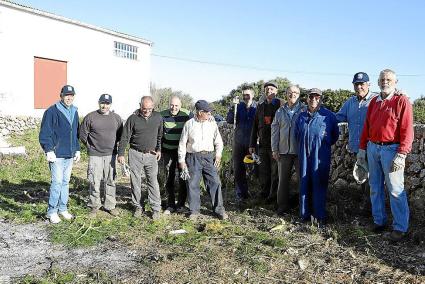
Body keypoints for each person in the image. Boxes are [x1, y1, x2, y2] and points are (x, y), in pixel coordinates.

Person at [358, 69, 413, 241]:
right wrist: (362, 150)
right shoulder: (374, 102)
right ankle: (379, 221)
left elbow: (407, 129)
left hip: (392, 149)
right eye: (382, 79)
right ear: (378, 81)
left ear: (395, 82)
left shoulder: (401, 101)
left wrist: (402, 153)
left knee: (396, 189)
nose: (385, 82)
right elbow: (367, 126)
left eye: (389, 79)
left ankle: (400, 228)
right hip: (373, 147)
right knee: (375, 187)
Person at [295, 88, 339, 226]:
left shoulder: (329, 116)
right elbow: (297, 135)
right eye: (311, 97)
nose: (314, 99)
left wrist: (320, 144)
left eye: (317, 97)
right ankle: (304, 215)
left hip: (320, 156)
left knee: (319, 184)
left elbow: (334, 136)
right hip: (304, 155)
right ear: (307, 99)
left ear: (321, 99)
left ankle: (319, 216)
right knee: (304, 184)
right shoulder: (301, 116)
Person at [178, 100, 227, 220]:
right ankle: (194, 211)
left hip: (209, 157)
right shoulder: (189, 124)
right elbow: (182, 143)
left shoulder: (212, 124)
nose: (210, 114)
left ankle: (219, 209)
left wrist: (219, 155)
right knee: (192, 183)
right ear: (200, 112)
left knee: (214, 182)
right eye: (208, 112)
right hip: (193, 157)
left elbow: (218, 141)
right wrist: (181, 160)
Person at [39, 85, 81, 224]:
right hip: (56, 154)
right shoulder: (52, 111)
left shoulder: (74, 111)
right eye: (66, 95)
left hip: (69, 154)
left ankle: (63, 209)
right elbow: (45, 133)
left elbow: (75, 133)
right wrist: (48, 150)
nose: (69, 98)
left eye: (71, 95)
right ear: (61, 95)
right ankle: (52, 211)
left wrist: (77, 149)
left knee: (65, 183)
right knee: (56, 183)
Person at [117, 96, 163, 220]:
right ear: (140, 105)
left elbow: (160, 135)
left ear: (153, 107)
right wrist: (121, 153)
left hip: (152, 155)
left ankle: (155, 208)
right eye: (144, 108)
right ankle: (138, 206)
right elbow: (125, 137)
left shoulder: (158, 117)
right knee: (135, 181)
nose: (147, 111)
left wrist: (159, 149)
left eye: (149, 108)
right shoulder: (133, 118)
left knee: (152, 181)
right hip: (135, 153)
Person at [79, 94, 123, 217]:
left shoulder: (116, 118)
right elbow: (82, 134)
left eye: (107, 103)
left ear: (111, 104)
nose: (104, 105)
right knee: (94, 180)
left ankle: (110, 205)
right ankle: (94, 205)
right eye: (102, 103)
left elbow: (120, 135)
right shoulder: (90, 117)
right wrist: (90, 146)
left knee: (111, 180)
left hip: (111, 154)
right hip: (95, 155)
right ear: (98, 103)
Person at [271, 85, 306, 215]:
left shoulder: (304, 110)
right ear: (286, 94)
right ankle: (282, 207)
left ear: (299, 94)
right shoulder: (280, 111)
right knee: (283, 180)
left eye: (296, 92)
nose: (293, 95)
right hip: (283, 151)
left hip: (299, 152)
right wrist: (274, 149)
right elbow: (274, 131)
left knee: (302, 180)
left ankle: (303, 208)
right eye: (290, 93)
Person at [160, 96, 192, 214]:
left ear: (181, 105)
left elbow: (199, 119)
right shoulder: (162, 115)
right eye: (172, 105)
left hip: (181, 152)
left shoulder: (187, 114)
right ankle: (170, 204)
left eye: (176, 105)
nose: (174, 108)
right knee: (169, 177)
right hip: (167, 151)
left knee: (183, 177)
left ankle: (181, 204)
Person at [249, 81, 280, 202]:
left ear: (276, 92)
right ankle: (264, 193)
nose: (269, 91)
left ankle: (273, 196)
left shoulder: (280, 106)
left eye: (272, 89)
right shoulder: (260, 107)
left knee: (275, 172)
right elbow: (255, 126)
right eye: (267, 89)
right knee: (263, 171)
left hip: (275, 146)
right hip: (262, 145)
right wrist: (252, 144)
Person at [226, 87, 257, 204]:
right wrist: (232, 108)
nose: (245, 97)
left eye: (248, 95)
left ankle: (254, 192)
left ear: (253, 95)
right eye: (244, 95)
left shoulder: (257, 107)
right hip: (238, 143)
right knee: (238, 169)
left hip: (252, 143)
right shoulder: (238, 107)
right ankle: (241, 193)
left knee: (254, 168)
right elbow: (229, 120)